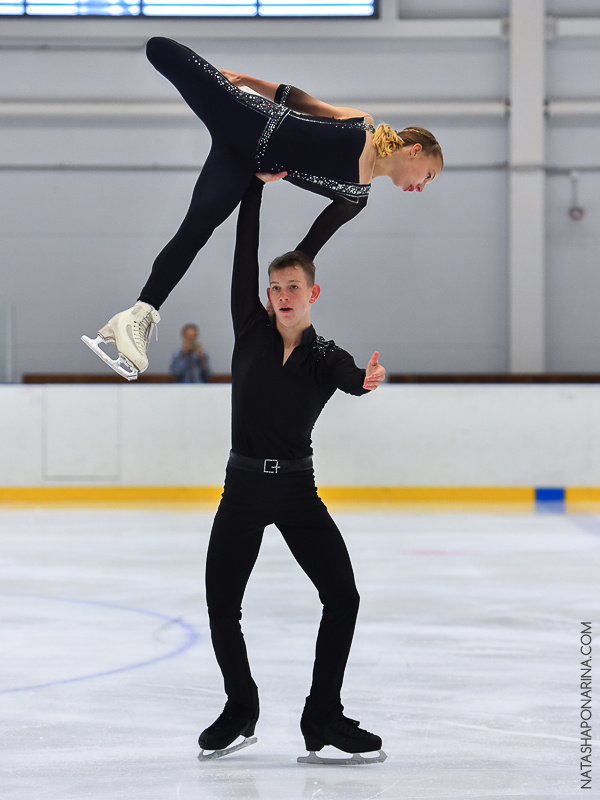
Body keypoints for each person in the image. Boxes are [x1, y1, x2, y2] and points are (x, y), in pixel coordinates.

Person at [81, 36, 443, 380]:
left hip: (241, 165)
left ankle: (137, 315)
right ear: (415, 151)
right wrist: (246, 80)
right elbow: (304, 102)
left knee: (195, 232)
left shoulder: (354, 198)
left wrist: (281, 300)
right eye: (427, 175)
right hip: (242, 113)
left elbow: (305, 253)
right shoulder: (361, 123)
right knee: (158, 49)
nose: (421, 187)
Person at [197, 172, 387, 764]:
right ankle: (240, 706)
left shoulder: (325, 357)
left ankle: (322, 713)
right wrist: (253, 189)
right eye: (275, 286)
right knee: (221, 603)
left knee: (343, 597)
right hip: (243, 488)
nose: (282, 294)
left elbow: (350, 381)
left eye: (293, 287)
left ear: (313, 294)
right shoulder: (249, 328)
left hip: (298, 493)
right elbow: (241, 250)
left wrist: (365, 381)